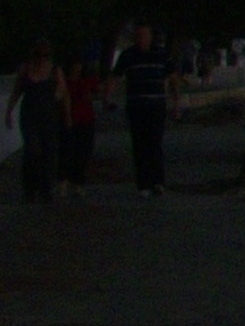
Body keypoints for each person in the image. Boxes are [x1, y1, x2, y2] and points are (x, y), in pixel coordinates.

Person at [111, 23, 171, 195]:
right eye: (138, 36)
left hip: (156, 105)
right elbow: (115, 76)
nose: (141, 39)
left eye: (144, 35)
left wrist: (175, 100)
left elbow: (172, 76)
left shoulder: (161, 54)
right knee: (140, 144)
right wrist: (108, 97)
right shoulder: (128, 55)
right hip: (136, 106)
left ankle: (158, 181)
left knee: (155, 142)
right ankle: (144, 184)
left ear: (151, 37)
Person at [12, 43, 60, 203]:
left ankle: (46, 189)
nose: (42, 59)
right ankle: (30, 189)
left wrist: (61, 107)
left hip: (48, 117)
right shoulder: (25, 70)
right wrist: (9, 111)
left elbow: (62, 91)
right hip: (29, 116)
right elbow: (17, 90)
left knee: (48, 153)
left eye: (45, 55)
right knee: (32, 151)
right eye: (39, 55)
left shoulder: (54, 70)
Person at [58, 48, 101, 186]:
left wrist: (92, 95)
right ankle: (66, 178)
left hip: (86, 118)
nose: (77, 68)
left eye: (79, 65)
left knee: (84, 151)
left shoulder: (86, 79)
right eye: (75, 65)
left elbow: (97, 91)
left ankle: (78, 180)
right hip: (70, 118)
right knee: (69, 151)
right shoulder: (65, 81)